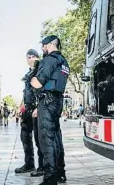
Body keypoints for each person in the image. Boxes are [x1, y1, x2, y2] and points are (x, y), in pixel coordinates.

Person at [30, 35, 69, 185]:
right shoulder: (63, 61)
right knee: (56, 138)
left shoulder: (49, 60)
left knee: (46, 139)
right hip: (57, 101)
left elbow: (38, 82)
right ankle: (60, 172)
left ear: (49, 45)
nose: (42, 48)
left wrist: (33, 78)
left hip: (47, 101)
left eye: (43, 46)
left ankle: (50, 178)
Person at [15, 49, 44, 176]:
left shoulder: (41, 70)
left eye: (33, 56)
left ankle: (43, 166)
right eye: (28, 57)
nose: (30, 59)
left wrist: (39, 107)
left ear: (37, 57)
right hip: (27, 109)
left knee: (39, 140)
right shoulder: (29, 73)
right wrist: (20, 107)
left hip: (37, 109)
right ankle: (29, 164)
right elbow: (26, 92)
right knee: (25, 137)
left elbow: (43, 89)